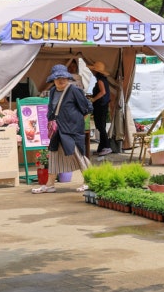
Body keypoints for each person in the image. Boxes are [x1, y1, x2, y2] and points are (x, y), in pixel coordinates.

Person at [32, 64, 94, 193]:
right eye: (58, 78)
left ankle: (89, 181)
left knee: (78, 154)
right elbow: (51, 109)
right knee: (54, 154)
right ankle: (49, 184)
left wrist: (77, 123)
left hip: (72, 129)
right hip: (57, 129)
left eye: (63, 78)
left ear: (68, 78)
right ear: (53, 80)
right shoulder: (53, 91)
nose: (61, 81)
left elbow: (87, 109)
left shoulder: (74, 90)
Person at [87, 60, 113, 156]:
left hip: (101, 105)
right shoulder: (102, 79)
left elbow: (103, 92)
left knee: (101, 127)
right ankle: (101, 147)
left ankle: (107, 147)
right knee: (100, 126)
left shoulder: (100, 80)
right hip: (102, 105)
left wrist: (93, 99)